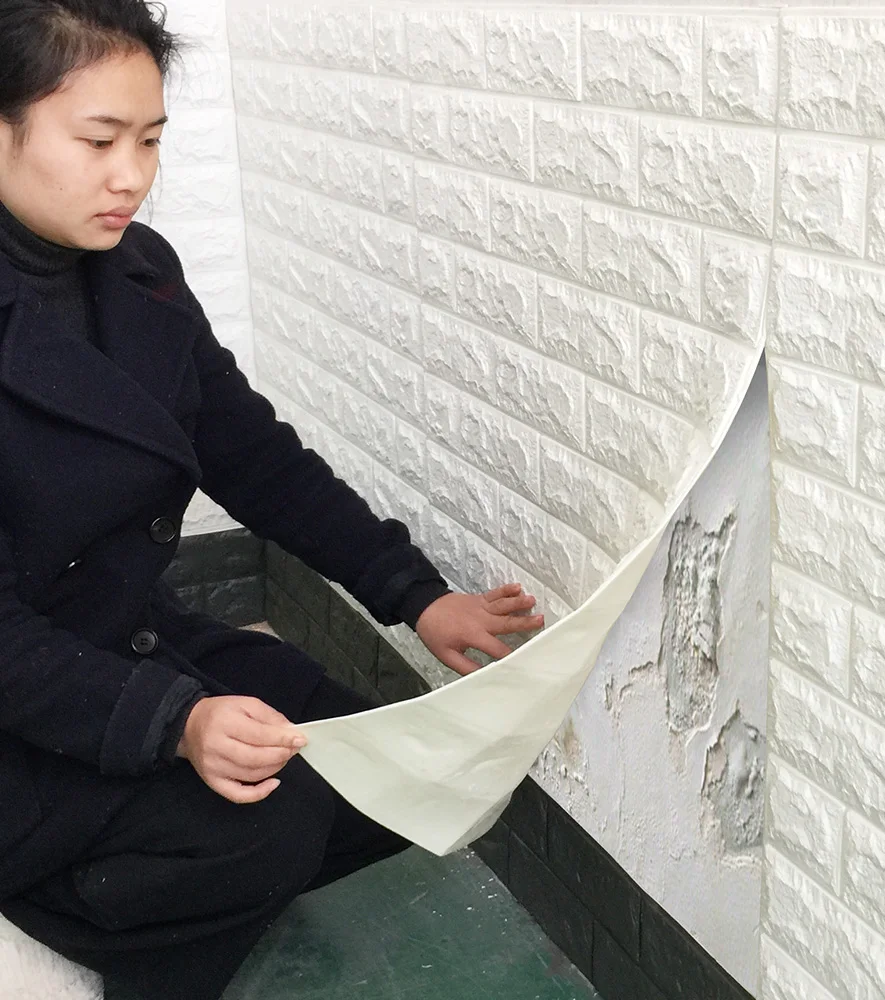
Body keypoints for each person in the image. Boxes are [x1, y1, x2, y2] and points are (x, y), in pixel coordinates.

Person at [0, 1, 545, 997]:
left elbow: (252, 456)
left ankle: (157, 885)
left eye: (151, 140)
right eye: (99, 140)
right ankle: (67, 902)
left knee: (381, 771)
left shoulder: (139, 272)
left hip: (119, 635)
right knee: (270, 824)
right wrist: (175, 721)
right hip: (25, 699)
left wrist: (416, 593)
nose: (132, 175)